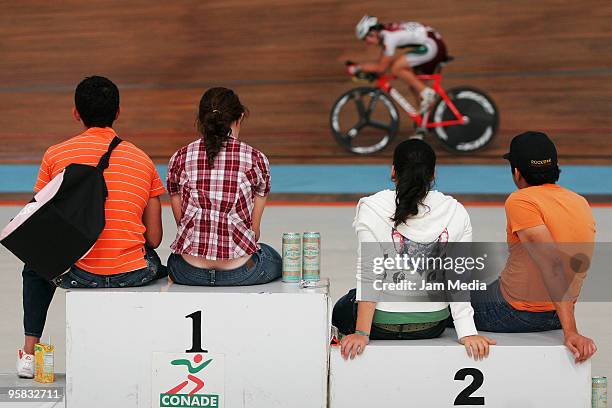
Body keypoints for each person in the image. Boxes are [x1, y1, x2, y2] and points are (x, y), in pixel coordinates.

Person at [17, 76, 167, 378]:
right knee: (158, 262)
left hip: (78, 275)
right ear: (118, 112)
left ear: (76, 113)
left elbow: (39, 225)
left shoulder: (55, 155)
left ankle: (29, 354)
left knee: (35, 265)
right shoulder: (143, 160)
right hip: (132, 274)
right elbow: (154, 238)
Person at [333, 139, 495, 361]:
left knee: (344, 304)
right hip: (431, 325)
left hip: (381, 326)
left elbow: (370, 274)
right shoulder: (456, 211)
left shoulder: (372, 207)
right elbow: (458, 277)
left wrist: (361, 333)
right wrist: (468, 333)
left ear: (393, 171)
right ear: (433, 174)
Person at [471, 131, 597, 363]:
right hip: (555, 315)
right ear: (556, 167)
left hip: (514, 312)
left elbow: (552, 263)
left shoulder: (521, 200)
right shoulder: (580, 202)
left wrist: (570, 331)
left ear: (517, 172)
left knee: (447, 296)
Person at [166, 87, 281, 286]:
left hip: (188, 271)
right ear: (240, 118)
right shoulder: (255, 158)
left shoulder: (180, 157)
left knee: (173, 260)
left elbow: (180, 220)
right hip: (240, 271)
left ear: (201, 120)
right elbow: (255, 230)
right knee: (273, 257)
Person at [349, 15, 448, 114]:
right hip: (433, 43)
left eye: (365, 39)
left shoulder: (389, 37)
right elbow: (383, 62)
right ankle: (426, 120)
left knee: (396, 68)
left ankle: (427, 93)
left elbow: (381, 68)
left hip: (432, 46)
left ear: (372, 33)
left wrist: (357, 68)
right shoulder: (386, 32)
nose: (367, 43)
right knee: (414, 84)